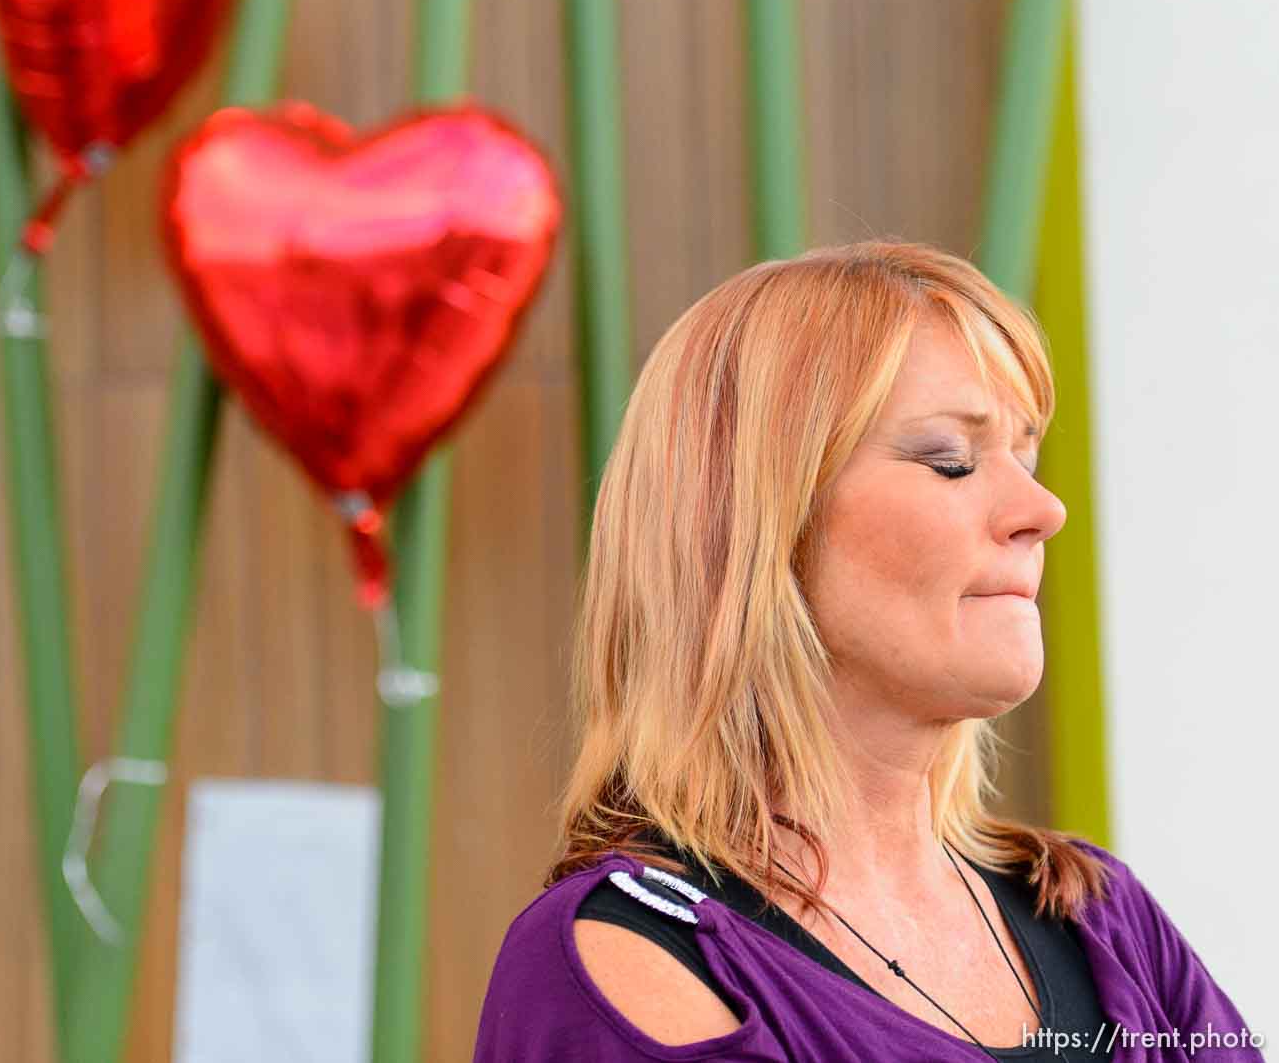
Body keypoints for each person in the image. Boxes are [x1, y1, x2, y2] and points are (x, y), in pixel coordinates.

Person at [472, 241, 1263, 1061]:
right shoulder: (633, 963)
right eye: (950, 462)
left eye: (1025, 458)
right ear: (755, 525)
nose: (1042, 509)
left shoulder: (1104, 924)